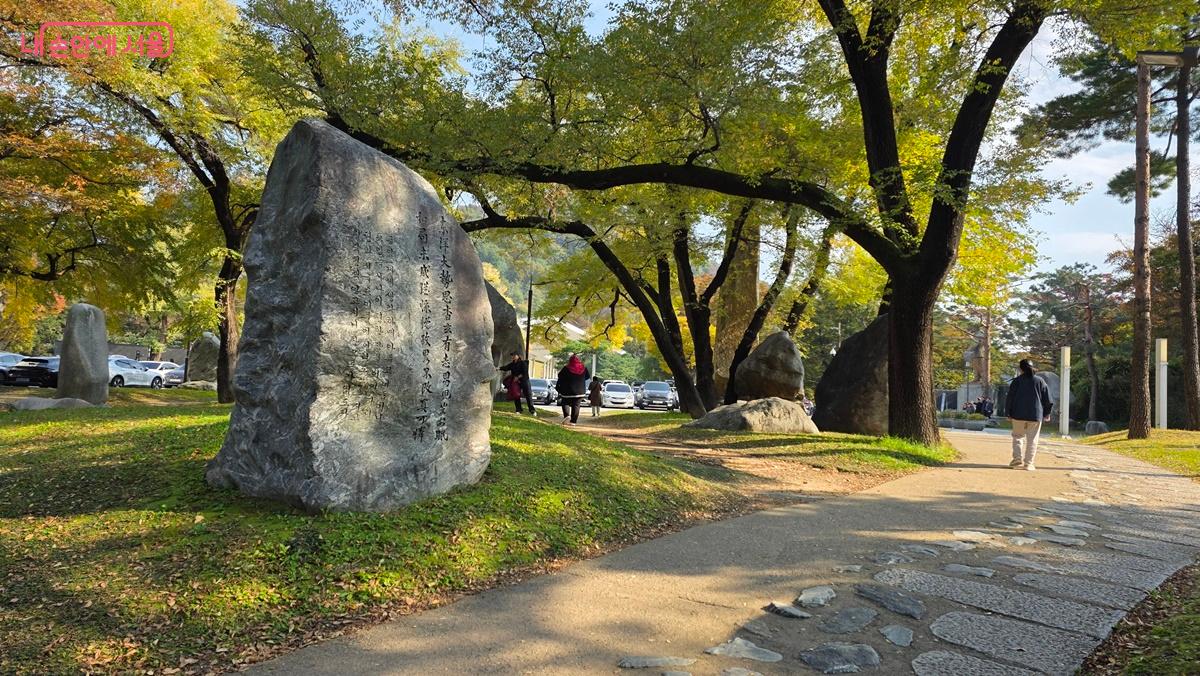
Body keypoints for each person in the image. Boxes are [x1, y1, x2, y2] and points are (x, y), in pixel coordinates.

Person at [1005, 358, 1053, 470]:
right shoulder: (1040, 381)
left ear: (1020, 369)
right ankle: (1029, 463)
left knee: (1018, 437)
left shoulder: (1016, 381)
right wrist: (1047, 413)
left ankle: (1017, 458)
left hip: (1018, 414)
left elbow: (1010, 398)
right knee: (1032, 439)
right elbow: (1048, 400)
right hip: (1035, 414)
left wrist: (1008, 413)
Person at [556, 353, 590, 425]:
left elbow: (560, 376)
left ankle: (567, 416)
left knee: (565, 403)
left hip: (567, 390)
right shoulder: (583, 368)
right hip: (579, 391)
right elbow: (587, 377)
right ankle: (573, 421)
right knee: (576, 405)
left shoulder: (566, 368)